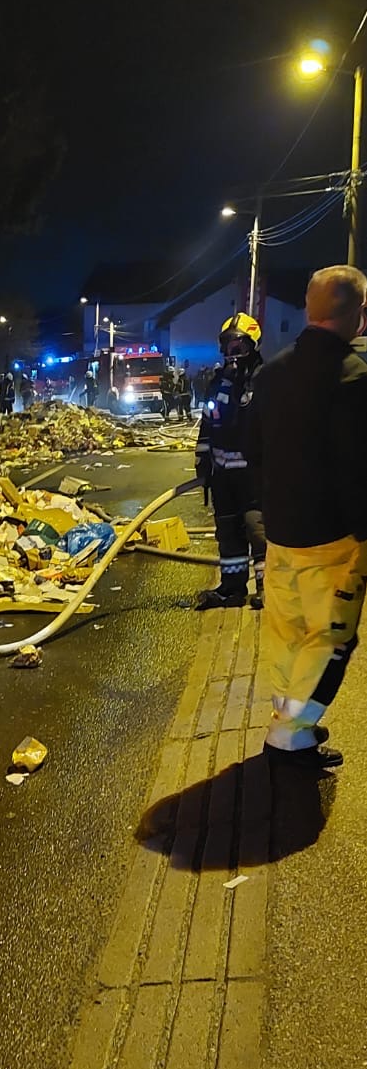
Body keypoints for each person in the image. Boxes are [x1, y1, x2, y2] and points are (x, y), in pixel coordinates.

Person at [248, 265, 367, 770]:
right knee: (331, 637)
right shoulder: (356, 377)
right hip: (333, 536)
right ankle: (291, 737)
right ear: (358, 314)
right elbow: (357, 467)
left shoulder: (270, 371)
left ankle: (287, 718)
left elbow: (254, 450)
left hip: (281, 529)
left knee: (288, 630)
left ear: (308, 307)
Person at [194, 312, 266, 612]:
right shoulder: (217, 383)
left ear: (253, 346)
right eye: (227, 347)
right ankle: (233, 588)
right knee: (228, 533)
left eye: (238, 347)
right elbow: (208, 424)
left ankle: (267, 588)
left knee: (257, 530)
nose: (231, 355)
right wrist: (202, 459)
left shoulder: (265, 380)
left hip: (256, 476)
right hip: (223, 477)